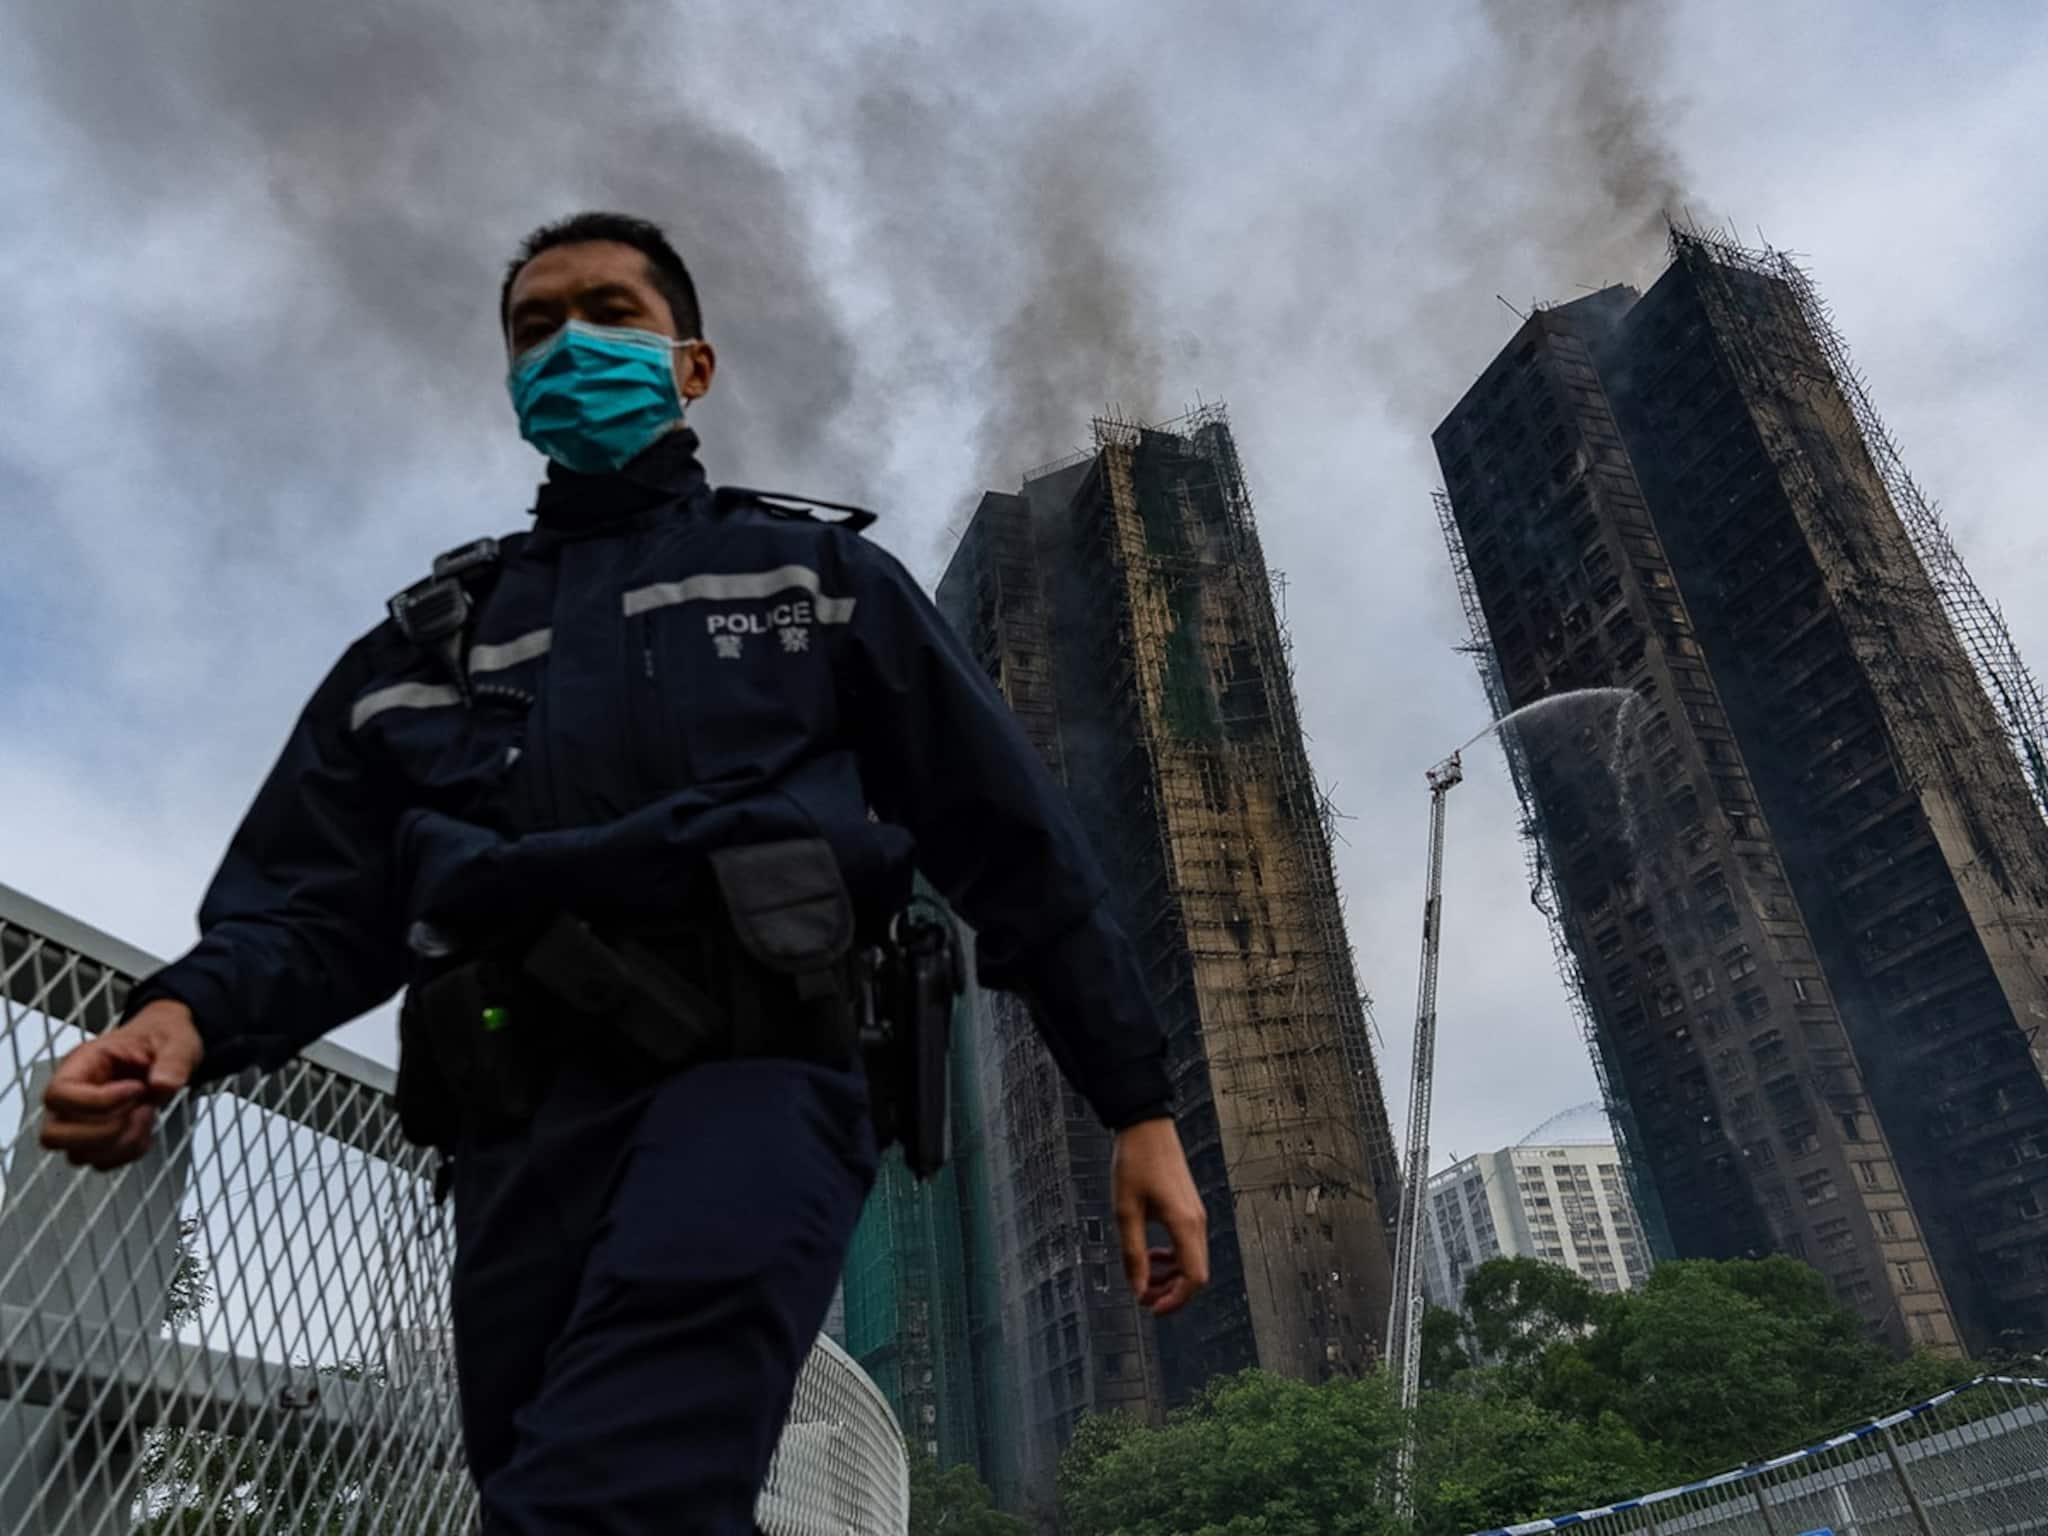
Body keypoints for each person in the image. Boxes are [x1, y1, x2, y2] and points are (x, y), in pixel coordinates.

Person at [37, 211, 1208, 1532]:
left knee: (603, 1501)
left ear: (691, 367)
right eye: (537, 328)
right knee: (548, 1483)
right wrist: (176, 1020)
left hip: (760, 1085)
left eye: (608, 314)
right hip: (509, 1131)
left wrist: (1135, 1104)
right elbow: (314, 903)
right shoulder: (427, 648)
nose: (569, 345)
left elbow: (1016, 849)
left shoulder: (817, 582)